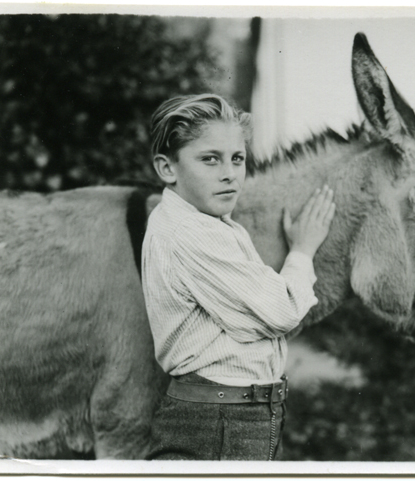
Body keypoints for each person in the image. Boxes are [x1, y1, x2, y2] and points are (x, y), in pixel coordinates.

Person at [142, 94, 335, 461]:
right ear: (167, 168)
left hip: (236, 414)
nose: (229, 173)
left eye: (237, 158)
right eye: (210, 159)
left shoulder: (207, 224)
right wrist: (302, 251)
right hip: (222, 420)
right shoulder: (190, 232)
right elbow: (281, 310)